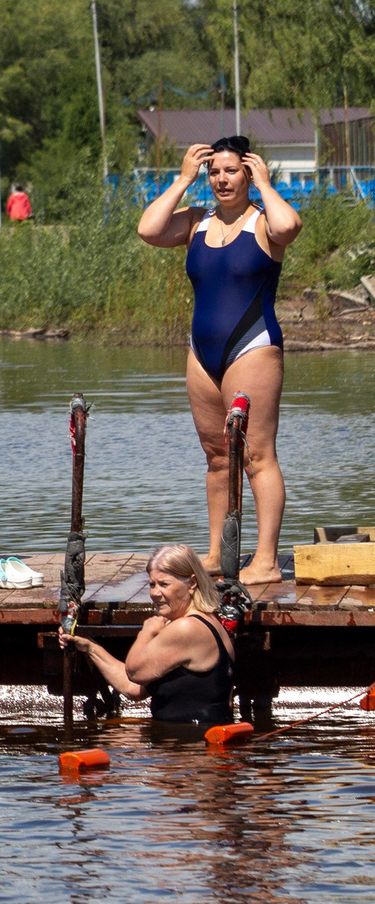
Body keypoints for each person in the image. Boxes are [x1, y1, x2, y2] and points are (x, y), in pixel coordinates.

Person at [136, 136, 301, 587]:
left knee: (257, 456)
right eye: (214, 172)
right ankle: (215, 553)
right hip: (202, 353)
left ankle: (265, 560)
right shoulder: (196, 221)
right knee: (216, 457)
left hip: (253, 347)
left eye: (231, 171)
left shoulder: (265, 222)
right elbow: (149, 230)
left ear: (248, 172)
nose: (222, 180)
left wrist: (266, 184)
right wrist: (182, 179)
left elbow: (290, 225)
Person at [62, 543, 236, 726]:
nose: (155, 593)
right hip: (195, 733)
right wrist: (90, 647)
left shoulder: (186, 628)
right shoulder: (210, 621)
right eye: (152, 584)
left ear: (192, 583)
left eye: (164, 584)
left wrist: (147, 632)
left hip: (190, 739)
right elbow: (133, 688)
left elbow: (135, 672)